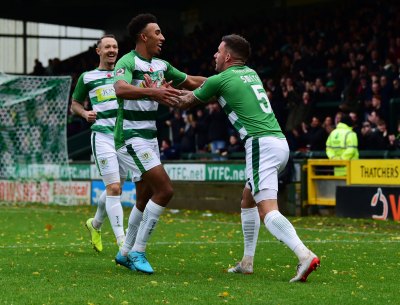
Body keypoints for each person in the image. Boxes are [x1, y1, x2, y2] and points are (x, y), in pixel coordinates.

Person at [175, 34, 320, 282]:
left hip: (260, 144)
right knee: (247, 199)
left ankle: (304, 255)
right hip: (279, 143)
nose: (214, 55)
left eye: (218, 51)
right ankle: (247, 262)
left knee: (267, 211)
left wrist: (154, 92)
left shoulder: (221, 80)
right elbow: (206, 83)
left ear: (228, 56)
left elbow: (184, 102)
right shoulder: (250, 74)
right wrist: (177, 81)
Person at [113, 13, 206, 274]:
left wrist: (224, 83)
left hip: (150, 137)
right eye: (157, 33)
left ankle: (124, 252)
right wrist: (155, 91)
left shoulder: (162, 65)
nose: (162, 37)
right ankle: (138, 252)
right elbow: (120, 89)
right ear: (143, 36)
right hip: (130, 138)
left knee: (144, 196)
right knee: (164, 190)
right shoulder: (127, 61)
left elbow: (191, 81)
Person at [70, 34, 126, 252]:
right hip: (102, 136)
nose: (112, 50)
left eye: (115, 46)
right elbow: (75, 104)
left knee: (115, 188)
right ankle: (123, 243)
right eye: (107, 47)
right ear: (98, 51)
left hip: (124, 137)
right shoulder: (88, 77)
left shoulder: (125, 74)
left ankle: (95, 224)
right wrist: (84, 113)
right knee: (113, 187)